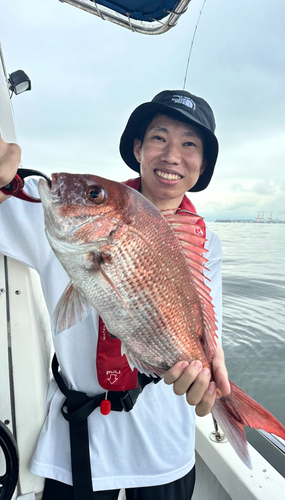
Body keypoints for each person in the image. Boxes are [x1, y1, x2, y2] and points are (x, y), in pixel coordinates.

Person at [0, 90, 230, 500]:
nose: (172, 155)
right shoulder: (61, 209)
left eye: (190, 144)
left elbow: (202, 322)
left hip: (166, 446)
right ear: (138, 147)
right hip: (79, 444)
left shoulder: (205, 242)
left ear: (202, 165)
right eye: (159, 137)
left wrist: (213, 361)